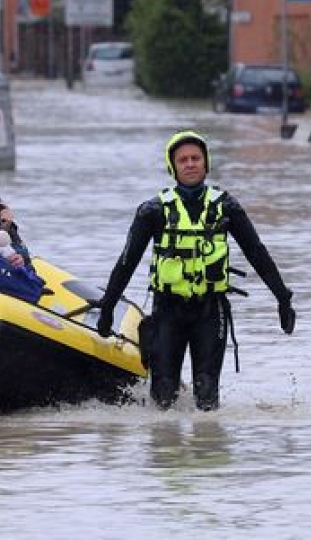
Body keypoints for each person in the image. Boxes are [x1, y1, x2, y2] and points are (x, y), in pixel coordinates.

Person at [96, 130, 296, 412]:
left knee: (207, 394)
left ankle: (207, 449)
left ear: (206, 163)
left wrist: (282, 298)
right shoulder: (152, 211)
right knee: (163, 394)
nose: (190, 164)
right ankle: (165, 450)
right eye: (183, 160)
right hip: (167, 311)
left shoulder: (227, 207)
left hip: (210, 312)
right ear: (173, 167)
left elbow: (257, 254)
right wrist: (107, 307)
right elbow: (126, 262)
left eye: (196, 158)